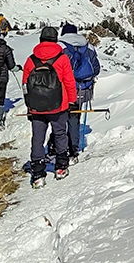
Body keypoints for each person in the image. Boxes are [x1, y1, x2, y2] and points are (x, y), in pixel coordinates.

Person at [22, 26, 76, 188]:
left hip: (36, 107)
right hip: (58, 105)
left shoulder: (31, 60)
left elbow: (25, 84)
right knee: (60, 134)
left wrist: (29, 104)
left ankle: (38, 173)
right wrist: (71, 101)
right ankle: (60, 167)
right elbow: (69, 82)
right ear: (55, 40)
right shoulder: (62, 58)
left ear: (40, 40)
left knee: (38, 138)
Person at [59, 23, 101, 158]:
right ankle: (73, 149)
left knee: (59, 118)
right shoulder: (88, 47)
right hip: (84, 89)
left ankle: (60, 147)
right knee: (74, 118)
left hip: (64, 88)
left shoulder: (61, 47)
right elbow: (96, 69)